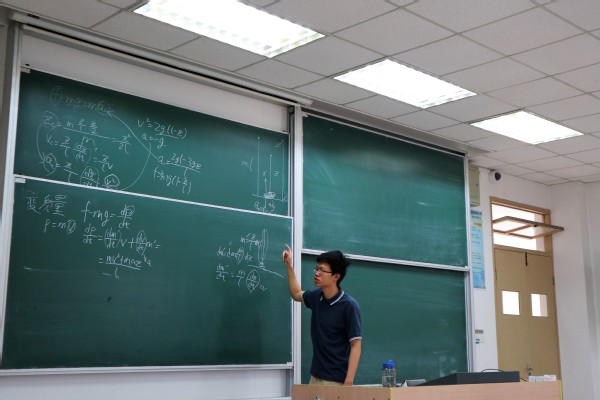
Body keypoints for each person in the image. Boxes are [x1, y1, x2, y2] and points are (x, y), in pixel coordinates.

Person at [282, 245, 362, 386]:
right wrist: (289, 266)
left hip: (336, 381)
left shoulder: (349, 305)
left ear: (336, 276)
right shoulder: (316, 297)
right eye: (316, 269)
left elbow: (356, 345)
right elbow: (296, 293)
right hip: (315, 377)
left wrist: (348, 382)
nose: (317, 273)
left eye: (322, 270)